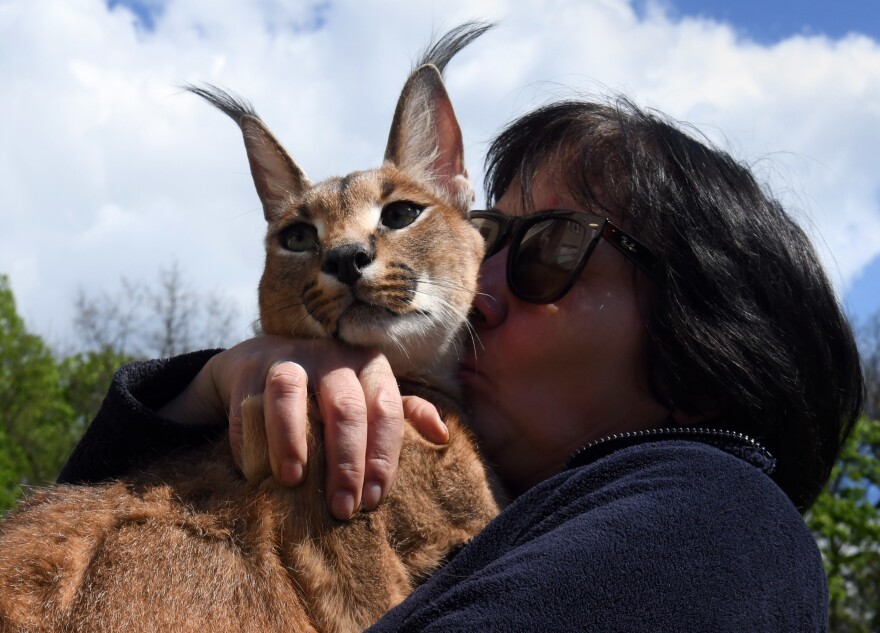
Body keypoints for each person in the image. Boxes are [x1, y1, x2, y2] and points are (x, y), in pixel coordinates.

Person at [59, 95, 864, 631]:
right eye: (489, 237)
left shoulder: (723, 524)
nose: (478, 282)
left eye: (548, 251)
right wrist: (198, 392)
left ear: (704, 349)